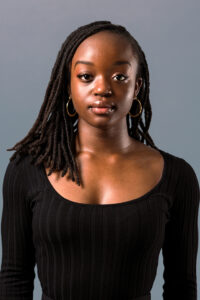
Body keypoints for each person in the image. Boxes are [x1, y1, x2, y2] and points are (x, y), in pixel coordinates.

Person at [0, 20, 199, 300]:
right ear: (67, 85)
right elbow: (14, 277)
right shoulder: (26, 169)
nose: (102, 88)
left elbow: (182, 286)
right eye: (86, 76)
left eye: (119, 77)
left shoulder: (178, 176)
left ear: (137, 86)